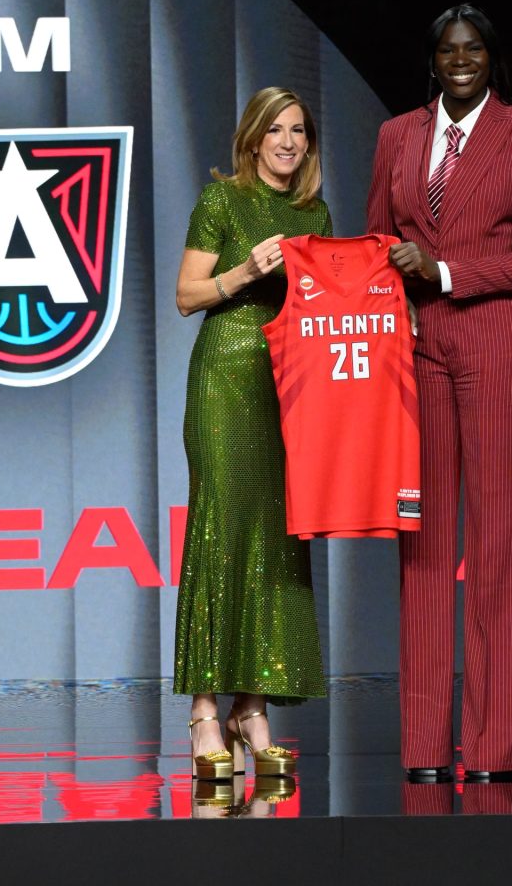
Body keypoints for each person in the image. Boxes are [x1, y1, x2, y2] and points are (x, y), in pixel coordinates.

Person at [365, 3, 512, 783]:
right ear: (432, 59)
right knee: (421, 543)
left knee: (499, 546)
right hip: (418, 348)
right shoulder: (396, 136)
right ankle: (422, 748)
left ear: (490, 57)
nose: (460, 60)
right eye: (448, 50)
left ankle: (495, 750)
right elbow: (380, 241)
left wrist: (446, 274)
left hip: (494, 342)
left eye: (473, 49)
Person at [173, 86, 333, 783]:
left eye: (299, 131)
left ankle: (253, 707)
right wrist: (246, 270)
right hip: (224, 379)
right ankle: (206, 712)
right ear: (253, 137)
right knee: (220, 530)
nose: (288, 142)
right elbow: (186, 296)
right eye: (276, 130)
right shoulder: (221, 202)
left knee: (275, 539)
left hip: (287, 388)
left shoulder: (314, 213)